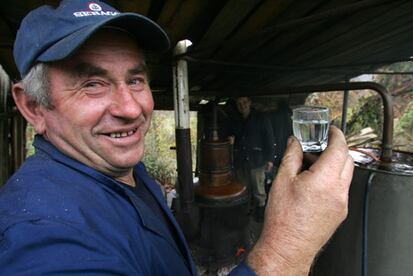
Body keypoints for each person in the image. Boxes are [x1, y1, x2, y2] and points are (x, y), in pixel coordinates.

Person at [0, 1, 354, 275]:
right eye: (93, 84)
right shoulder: (43, 235)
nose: (130, 107)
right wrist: (288, 247)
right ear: (33, 107)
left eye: (136, 80)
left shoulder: (123, 170)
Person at [228, 97, 275, 220]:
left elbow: (269, 138)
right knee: (243, 187)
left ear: (249, 102)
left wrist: (270, 159)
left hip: (257, 160)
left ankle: (260, 212)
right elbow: (234, 137)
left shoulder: (261, 117)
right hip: (241, 159)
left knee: (258, 189)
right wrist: (232, 140)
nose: (242, 105)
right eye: (239, 103)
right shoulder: (236, 119)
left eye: (244, 102)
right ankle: (248, 211)